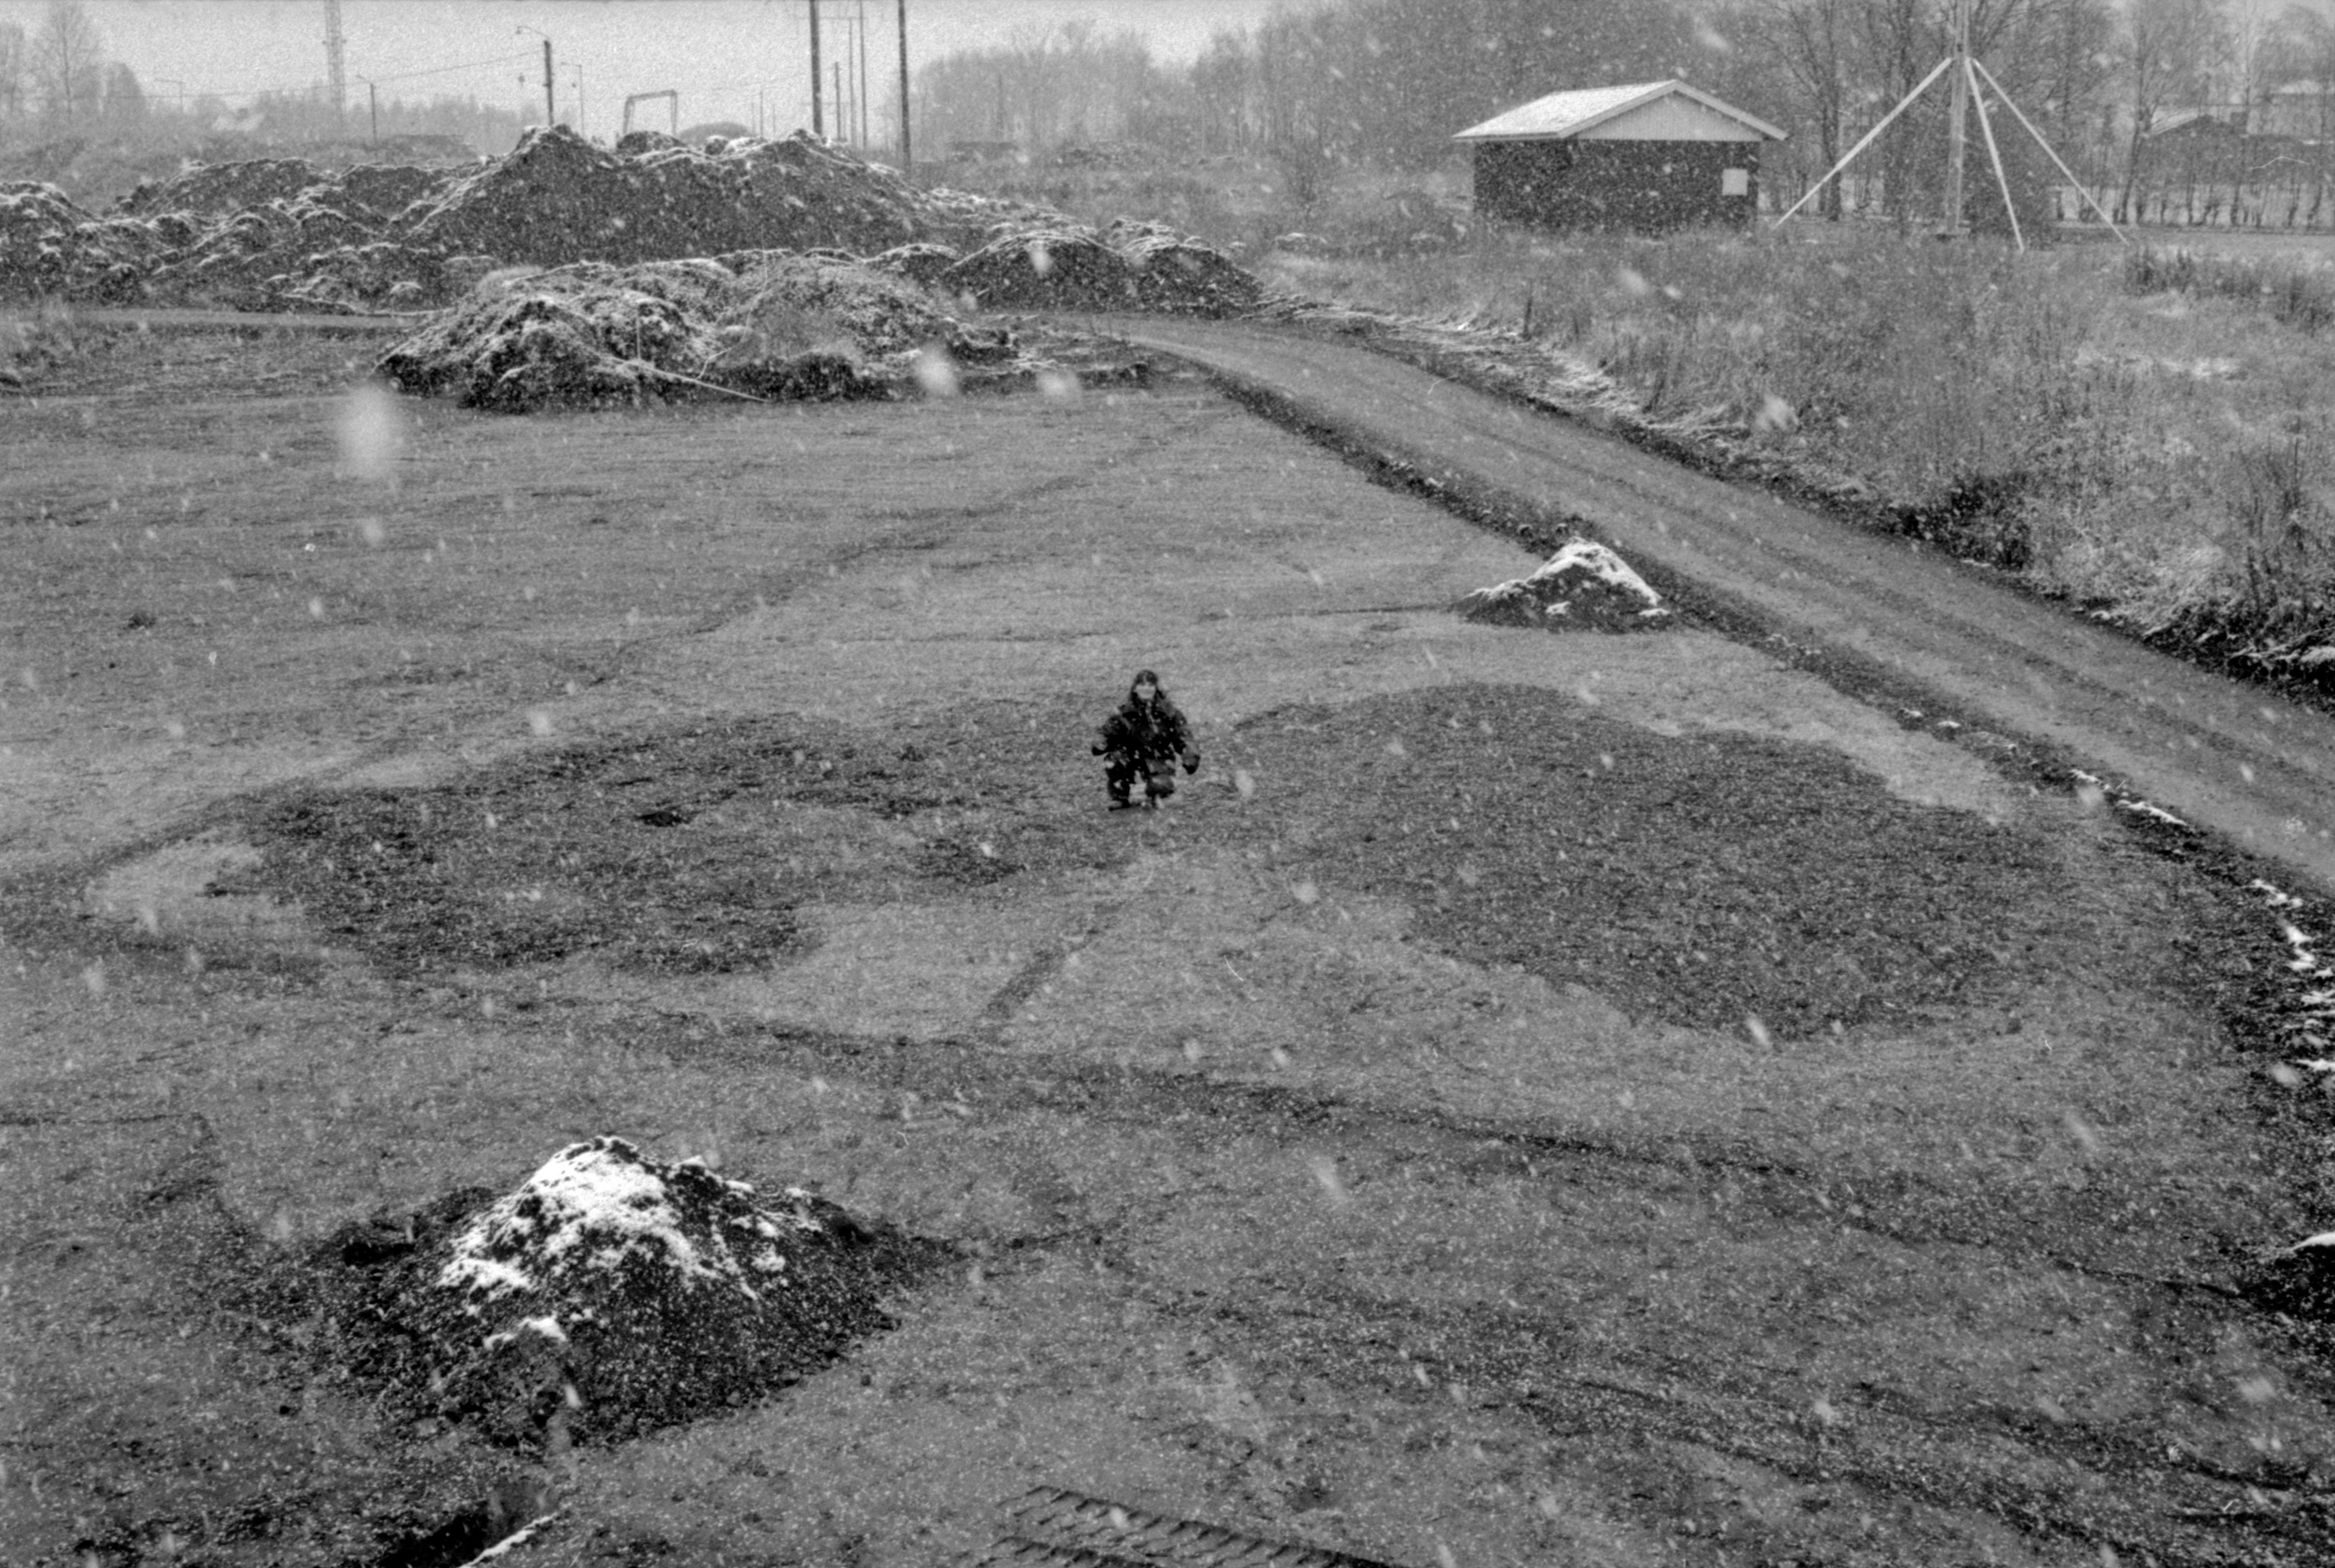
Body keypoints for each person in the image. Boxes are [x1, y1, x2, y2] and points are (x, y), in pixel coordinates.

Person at [1092, 668, 1199, 810]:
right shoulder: (1123, 713)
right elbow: (1107, 733)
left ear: (1156, 689)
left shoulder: (1171, 713)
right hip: (1131, 760)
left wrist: (1190, 758)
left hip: (1160, 762)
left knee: (1159, 786)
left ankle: (1157, 795)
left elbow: (1185, 737)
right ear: (1135, 689)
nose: (1146, 688)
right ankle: (1119, 797)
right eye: (1142, 685)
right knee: (1114, 759)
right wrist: (1100, 743)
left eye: (1150, 685)